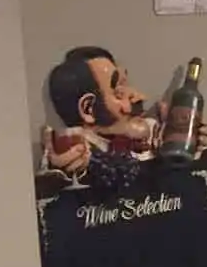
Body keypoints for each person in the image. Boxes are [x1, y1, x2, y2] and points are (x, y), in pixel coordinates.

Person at [41, 46, 163, 189]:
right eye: (119, 92)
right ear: (88, 109)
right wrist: (57, 174)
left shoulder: (151, 140)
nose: (140, 97)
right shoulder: (81, 162)